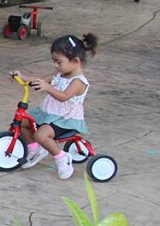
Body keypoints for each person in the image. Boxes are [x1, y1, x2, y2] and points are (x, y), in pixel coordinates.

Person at [12, 33, 99, 180]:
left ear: (76, 61)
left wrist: (47, 87)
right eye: (54, 61)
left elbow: (64, 97)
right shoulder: (60, 73)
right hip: (49, 113)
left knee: (41, 134)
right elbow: (41, 80)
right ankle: (35, 149)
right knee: (22, 122)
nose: (56, 66)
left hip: (65, 119)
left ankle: (61, 157)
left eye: (59, 62)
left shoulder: (79, 82)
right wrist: (22, 77)